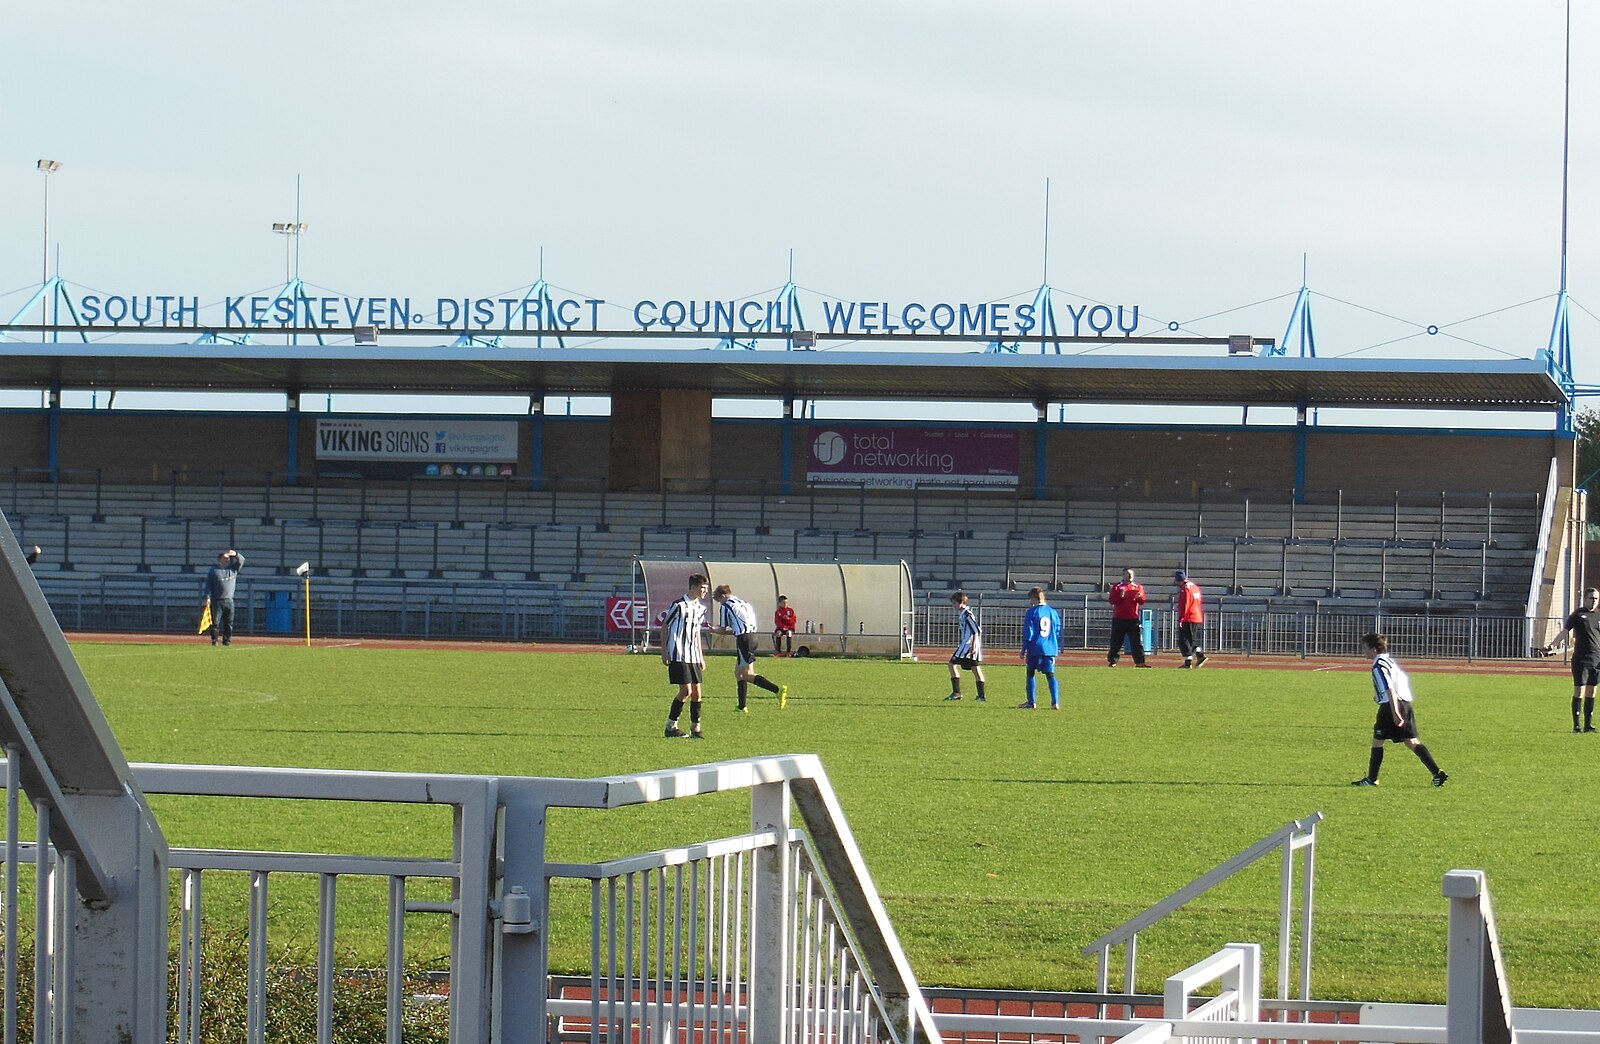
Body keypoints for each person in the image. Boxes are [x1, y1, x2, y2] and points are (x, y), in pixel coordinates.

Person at [1350, 632, 1448, 787]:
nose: (1364, 651)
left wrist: (1395, 712)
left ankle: (1372, 779)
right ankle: (1437, 772)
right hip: (1406, 703)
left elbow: (1389, 689)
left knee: (1377, 741)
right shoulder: (1390, 661)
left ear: (1374, 649)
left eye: (1365, 647)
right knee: (1411, 741)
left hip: (1392, 706)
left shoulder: (1378, 665)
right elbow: (1400, 683)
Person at [712, 584, 789, 711]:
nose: (719, 603)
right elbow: (740, 627)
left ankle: (777, 690)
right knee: (739, 672)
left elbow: (722, 629)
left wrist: (712, 629)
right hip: (752, 637)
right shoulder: (744, 603)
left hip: (744, 640)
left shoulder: (726, 606)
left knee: (747, 674)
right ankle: (742, 707)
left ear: (723, 596)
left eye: (718, 600)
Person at [1543, 587, 1600, 732]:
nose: (1593, 601)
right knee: (1579, 691)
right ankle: (1576, 725)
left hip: (1597, 659)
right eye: (1591, 598)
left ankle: (1588, 725)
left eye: (1596, 599)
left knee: (1591, 692)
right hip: (1581, 659)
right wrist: (1552, 646)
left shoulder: (1599, 615)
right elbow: (1565, 631)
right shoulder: (1577, 614)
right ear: (1585, 599)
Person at [660, 574, 710, 739]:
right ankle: (671, 726)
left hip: (693, 655)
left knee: (697, 691)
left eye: (706, 589)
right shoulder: (679, 605)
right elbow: (665, 625)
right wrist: (665, 651)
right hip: (678, 653)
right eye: (702, 588)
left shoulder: (701, 608)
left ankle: (696, 729)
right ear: (693, 587)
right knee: (685, 690)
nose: (705, 591)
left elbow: (696, 632)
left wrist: (700, 655)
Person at [1018, 586, 1063, 709]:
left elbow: (1029, 632)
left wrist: (1024, 649)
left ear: (1034, 598)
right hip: (1050, 648)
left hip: (1035, 647)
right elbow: (1058, 629)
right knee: (1050, 675)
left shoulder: (1032, 612)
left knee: (1030, 673)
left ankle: (1031, 702)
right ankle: (1055, 702)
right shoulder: (1053, 612)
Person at [943, 590, 986, 701]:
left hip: (967, 646)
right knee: (975, 668)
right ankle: (980, 696)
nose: (953, 606)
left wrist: (974, 645)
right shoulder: (963, 614)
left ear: (961, 602)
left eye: (954, 603)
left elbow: (976, 630)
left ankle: (957, 693)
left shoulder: (967, 614)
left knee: (952, 664)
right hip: (966, 645)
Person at [1107, 568, 1149, 667]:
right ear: (1123, 575)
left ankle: (1140, 662)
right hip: (1119, 618)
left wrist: (1140, 597)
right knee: (1116, 641)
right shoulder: (1117, 587)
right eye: (1128, 574)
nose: (1130, 576)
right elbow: (1112, 600)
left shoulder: (1138, 587)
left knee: (1137, 642)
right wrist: (1120, 597)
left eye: (1131, 574)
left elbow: (1142, 601)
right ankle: (1113, 661)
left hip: (1133, 618)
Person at [203, 549, 245, 646]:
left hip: (229, 600)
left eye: (228, 559)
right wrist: (207, 596)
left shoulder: (233, 569)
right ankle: (214, 640)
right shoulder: (214, 571)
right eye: (225, 558)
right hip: (217, 600)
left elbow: (242, 560)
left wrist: (236, 554)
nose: (227, 560)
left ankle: (227, 641)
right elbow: (208, 584)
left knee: (229, 622)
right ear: (219, 559)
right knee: (215, 622)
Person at [1174, 570, 1208, 668]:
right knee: (1191, 640)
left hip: (1188, 617)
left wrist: (1181, 617)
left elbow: (1185, 604)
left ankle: (1188, 662)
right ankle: (1199, 655)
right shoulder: (1194, 587)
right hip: (1197, 616)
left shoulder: (1185, 589)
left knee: (1184, 640)